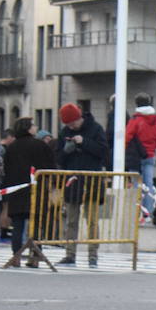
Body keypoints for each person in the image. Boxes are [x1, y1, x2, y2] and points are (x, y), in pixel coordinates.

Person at [54, 102, 110, 266]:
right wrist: (65, 150)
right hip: (73, 181)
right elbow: (59, 158)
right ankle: (70, 254)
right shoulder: (65, 132)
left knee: (92, 220)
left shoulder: (96, 129)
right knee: (71, 220)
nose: (72, 126)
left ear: (80, 117)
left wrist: (84, 142)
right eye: (69, 124)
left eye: (73, 123)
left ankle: (93, 255)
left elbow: (103, 152)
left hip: (92, 180)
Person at [1, 118, 56, 268]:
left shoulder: (11, 148)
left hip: (17, 190)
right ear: (28, 128)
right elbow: (50, 166)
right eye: (33, 125)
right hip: (37, 190)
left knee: (18, 225)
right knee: (36, 224)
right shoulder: (40, 145)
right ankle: (35, 256)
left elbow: (7, 170)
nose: (36, 127)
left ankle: (16, 256)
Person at [124, 93, 156, 215]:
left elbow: (127, 137)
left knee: (135, 185)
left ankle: (135, 212)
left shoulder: (135, 119)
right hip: (150, 155)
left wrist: (125, 151)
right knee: (149, 184)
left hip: (135, 156)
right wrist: (152, 148)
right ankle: (148, 212)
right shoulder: (155, 120)